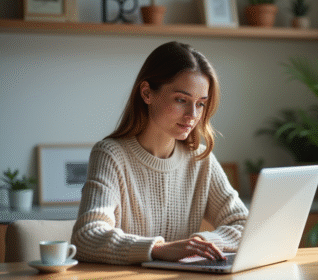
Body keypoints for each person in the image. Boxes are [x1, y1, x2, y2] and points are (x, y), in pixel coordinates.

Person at [71, 41, 249, 265]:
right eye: (181, 100)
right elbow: (86, 236)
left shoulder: (200, 159)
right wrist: (159, 249)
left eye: (201, 104)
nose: (192, 115)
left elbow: (243, 224)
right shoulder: (111, 155)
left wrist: (199, 243)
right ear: (147, 93)